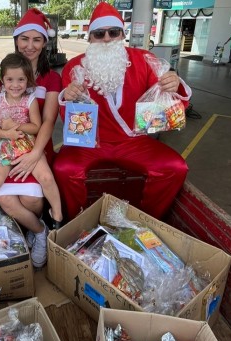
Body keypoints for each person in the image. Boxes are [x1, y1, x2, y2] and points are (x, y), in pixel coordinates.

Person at [54, 2, 190, 221]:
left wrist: (175, 85)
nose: (107, 38)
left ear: (122, 34)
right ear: (90, 38)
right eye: (99, 33)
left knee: (175, 167)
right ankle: (78, 223)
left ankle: (146, 220)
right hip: (92, 143)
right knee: (64, 168)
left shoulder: (145, 60)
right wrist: (67, 98)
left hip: (134, 141)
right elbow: (70, 120)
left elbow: (166, 104)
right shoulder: (74, 67)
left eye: (113, 32)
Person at [0, 8, 62, 268]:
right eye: (24, 39)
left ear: (45, 43)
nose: (30, 45)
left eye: (36, 39)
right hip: (4, 145)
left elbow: (46, 121)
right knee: (5, 197)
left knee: (32, 199)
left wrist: (36, 153)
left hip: (34, 146)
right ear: (16, 40)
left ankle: (37, 229)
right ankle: (36, 231)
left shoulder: (51, 77)